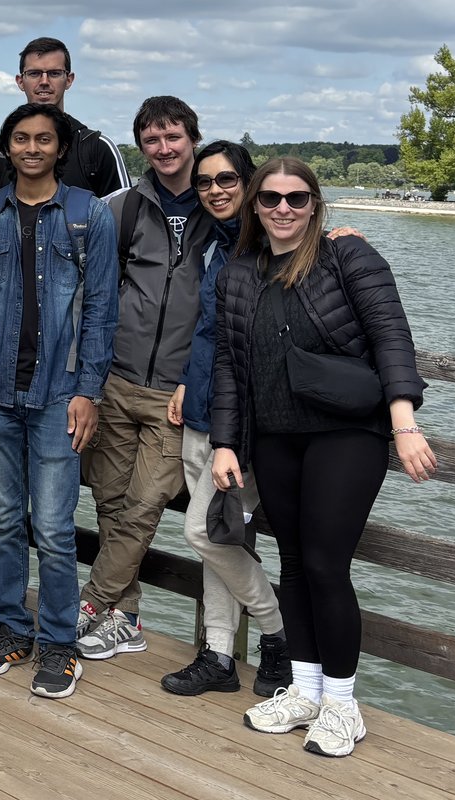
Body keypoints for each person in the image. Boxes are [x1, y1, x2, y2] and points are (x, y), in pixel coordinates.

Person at [214, 157, 434, 758]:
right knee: (291, 565)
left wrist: (404, 422)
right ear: (254, 206)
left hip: (346, 434)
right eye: (271, 199)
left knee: (326, 566)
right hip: (276, 437)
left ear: (316, 205)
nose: (284, 209)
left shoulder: (347, 257)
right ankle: (305, 690)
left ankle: (342, 703)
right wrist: (225, 441)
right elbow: (230, 367)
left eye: (298, 198)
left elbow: (391, 335)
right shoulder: (237, 274)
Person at [0, 36, 130, 617]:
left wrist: (89, 391)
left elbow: (103, 307)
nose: (32, 148)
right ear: (7, 148)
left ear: (61, 148)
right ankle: (10, 625)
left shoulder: (90, 214)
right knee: (5, 521)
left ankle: (57, 638)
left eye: (43, 140)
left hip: (61, 394)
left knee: (55, 531)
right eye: (21, 139)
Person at [75, 95, 208, 660]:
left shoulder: (222, 202)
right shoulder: (120, 208)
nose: (164, 149)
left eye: (173, 137)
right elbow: (88, 288)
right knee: (109, 501)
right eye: (152, 140)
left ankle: (88, 602)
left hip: (176, 394)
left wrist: (333, 233)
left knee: (144, 505)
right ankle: (123, 619)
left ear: (193, 138)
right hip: (116, 380)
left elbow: (282, 237)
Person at [158, 140, 290, 697]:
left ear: (250, 183)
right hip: (201, 409)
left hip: (241, 424)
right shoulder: (216, 243)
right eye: (206, 181)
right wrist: (188, 381)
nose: (215, 189)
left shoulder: (277, 246)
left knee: (203, 532)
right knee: (218, 535)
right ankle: (218, 654)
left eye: (227, 179)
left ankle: (281, 633)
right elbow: (210, 328)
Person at [0, 37, 129, 199]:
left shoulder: (98, 149)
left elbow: (122, 217)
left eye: (54, 73)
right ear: (21, 81)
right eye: (34, 73)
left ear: (69, 80)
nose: (44, 81)